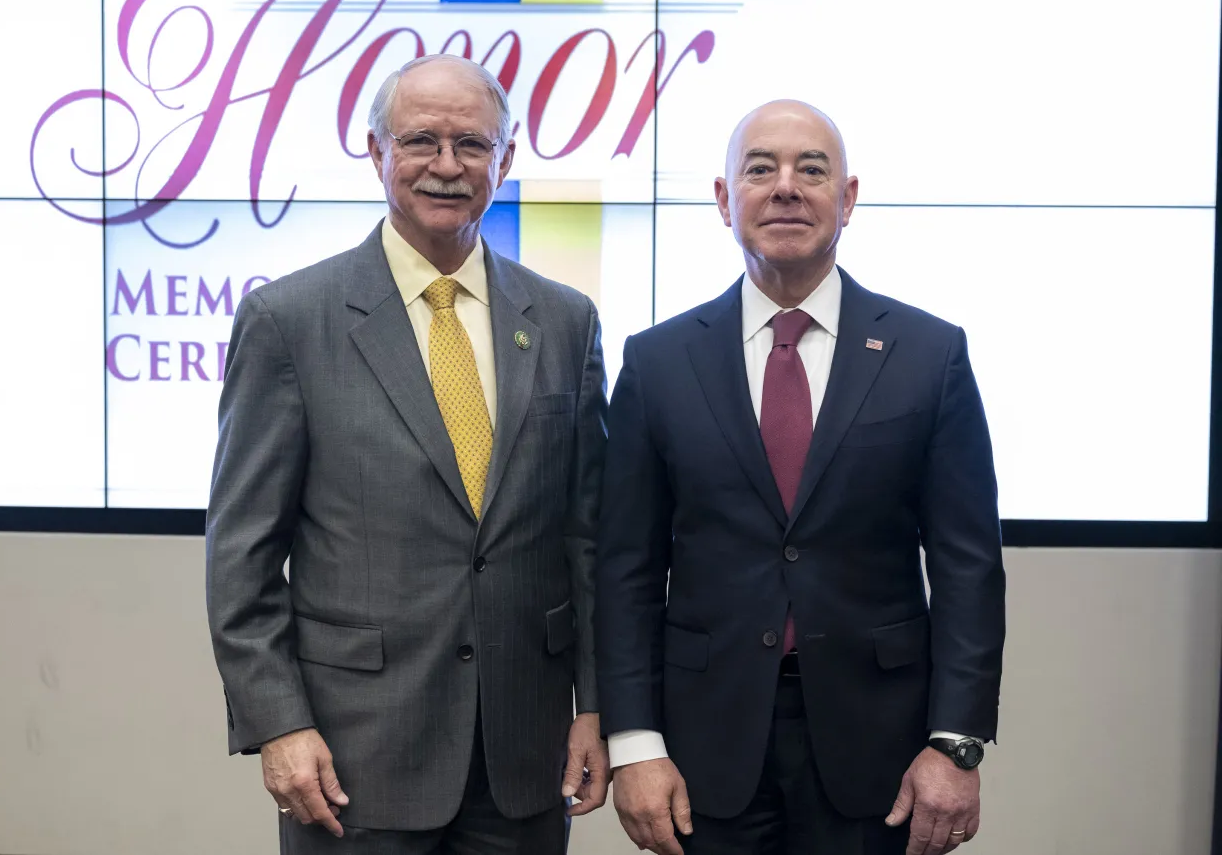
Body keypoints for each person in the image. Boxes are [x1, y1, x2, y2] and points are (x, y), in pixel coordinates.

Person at [206, 54, 609, 855]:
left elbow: (588, 538)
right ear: (376, 152)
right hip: (355, 761)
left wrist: (597, 704)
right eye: (421, 141)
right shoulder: (289, 320)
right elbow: (242, 555)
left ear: (508, 159)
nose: (448, 166)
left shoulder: (566, 320)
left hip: (523, 763)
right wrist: (278, 723)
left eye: (473, 145)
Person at [595, 100, 1005, 855]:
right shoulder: (656, 363)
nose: (786, 188)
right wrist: (634, 742)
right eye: (760, 169)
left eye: (812, 170)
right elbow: (624, 569)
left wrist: (957, 744)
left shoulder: (928, 354)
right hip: (703, 749)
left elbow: (968, 567)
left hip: (880, 748)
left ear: (847, 199)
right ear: (725, 201)